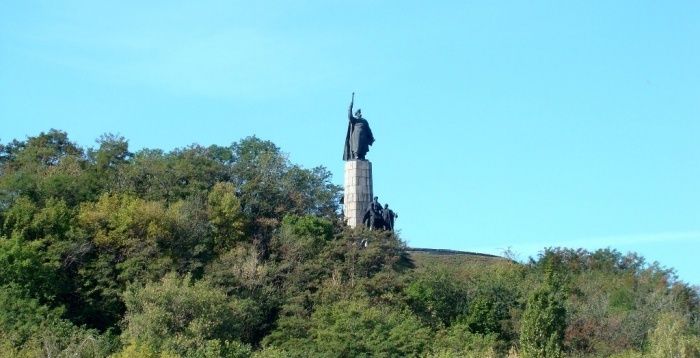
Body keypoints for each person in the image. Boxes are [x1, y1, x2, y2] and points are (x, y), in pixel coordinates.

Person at [343, 92, 375, 161]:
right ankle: (356, 155)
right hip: (356, 137)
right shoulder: (355, 120)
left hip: (364, 137)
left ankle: (362, 156)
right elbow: (350, 116)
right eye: (358, 113)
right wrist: (350, 108)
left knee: (363, 147)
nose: (360, 114)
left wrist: (371, 137)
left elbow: (368, 130)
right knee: (357, 146)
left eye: (360, 113)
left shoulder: (364, 121)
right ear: (356, 114)